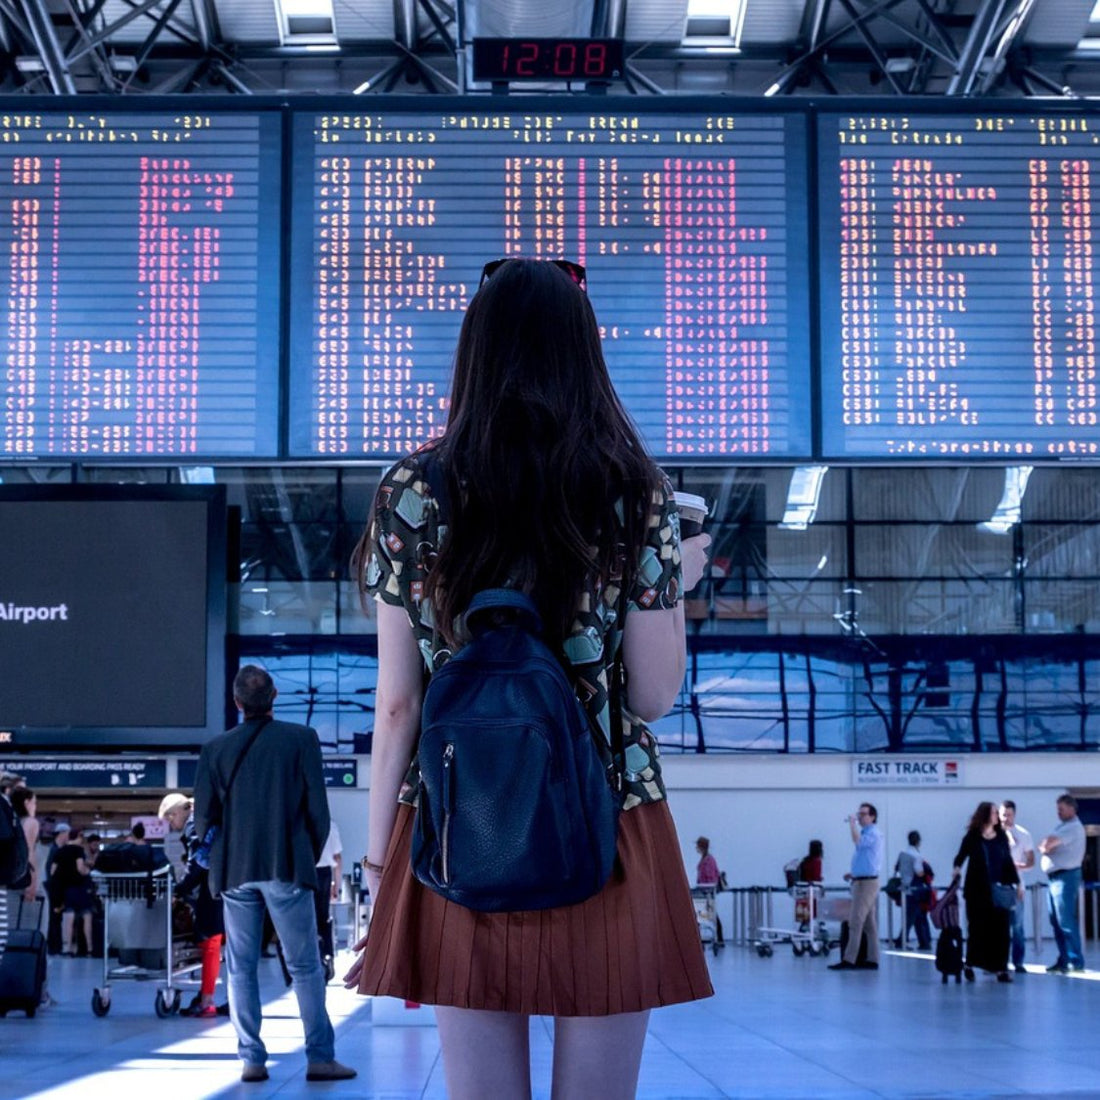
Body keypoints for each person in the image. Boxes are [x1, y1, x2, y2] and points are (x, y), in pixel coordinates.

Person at [345, 257, 713, 1099]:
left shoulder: (413, 490)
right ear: (584, 354)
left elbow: (399, 703)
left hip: (456, 820)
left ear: (474, 353)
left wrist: (377, 862)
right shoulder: (636, 494)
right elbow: (653, 697)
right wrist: (670, 586)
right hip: (609, 821)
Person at [194, 664, 355, 1084]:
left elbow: (202, 818)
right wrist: (306, 854)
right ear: (275, 696)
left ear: (236, 702)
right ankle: (320, 1057)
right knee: (304, 966)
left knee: (241, 967)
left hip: (234, 872)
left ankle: (251, 1060)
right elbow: (318, 811)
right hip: (286, 865)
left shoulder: (215, 749)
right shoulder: (301, 740)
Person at [158, 792, 226, 1018]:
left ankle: (207, 1000)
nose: (170, 824)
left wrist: (179, 889)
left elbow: (199, 862)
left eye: (169, 818)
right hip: (225, 885)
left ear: (177, 812)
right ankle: (210, 996)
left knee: (210, 943)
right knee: (217, 945)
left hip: (211, 890)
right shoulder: (208, 819)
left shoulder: (193, 825)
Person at [952, 801, 1018, 983]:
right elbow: (961, 855)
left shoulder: (1001, 837)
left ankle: (1001, 968)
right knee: (977, 929)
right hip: (976, 890)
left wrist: (1016, 884)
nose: (997, 816)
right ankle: (970, 964)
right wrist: (957, 868)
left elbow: (1008, 861)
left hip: (999, 889)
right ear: (986, 815)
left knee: (1002, 930)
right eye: (994, 813)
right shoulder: (973, 836)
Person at [829, 803, 883, 971]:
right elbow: (867, 860)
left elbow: (858, 842)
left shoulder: (873, 833)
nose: (860, 817)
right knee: (869, 924)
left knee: (855, 921)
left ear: (872, 816)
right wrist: (854, 874)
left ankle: (849, 959)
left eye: (863, 814)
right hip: (861, 881)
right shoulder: (868, 833)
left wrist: (852, 825)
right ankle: (873, 959)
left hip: (867, 884)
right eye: (859, 814)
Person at [1038, 793, 1086, 974]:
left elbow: (1047, 844)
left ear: (1072, 809)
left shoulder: (1072, 828)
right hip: (1055, 879)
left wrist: (1046, 846)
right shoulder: (1062, 826)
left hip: (1065, 878)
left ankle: (1075, 961)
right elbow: (1044, 843)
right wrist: (1046, 845)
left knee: (1065, 920)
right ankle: (1064, 960)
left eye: (1061, 809)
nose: (1058, 812)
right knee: (1056, 922)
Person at [999, 800, 1035, 973]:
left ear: (1015, 814)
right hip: (998, 887)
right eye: (1003, 814)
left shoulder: (1023, 834)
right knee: (998, 926)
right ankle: (997, 962)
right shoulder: (993, 834)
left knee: (1017, 926)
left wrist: (1019, 867)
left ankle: (1018, 961)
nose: (1006, 818)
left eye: (1009, 814)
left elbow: (1031, 861)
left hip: (1016, 886)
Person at [52, 828, 94, 956]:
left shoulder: (60, 851)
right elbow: (80, 868)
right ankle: (89, 948)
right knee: (87, 916)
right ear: (79, 837)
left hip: (66, 888)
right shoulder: (78, 850)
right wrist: (88, 872)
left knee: (68, 917)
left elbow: (53, 871)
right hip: (80, 887)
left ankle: (67, 947)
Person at [314, 822, 343, 981]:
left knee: (306, 920)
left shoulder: (299, 820)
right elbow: (337, 857)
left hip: (304, 873)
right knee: (323, 919)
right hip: (324, 875)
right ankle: (327, 955)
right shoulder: (330, 825)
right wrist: (336, 885)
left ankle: (314, 960)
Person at [895, 831, 932, 951]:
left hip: (904, 887)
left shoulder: (903, 854)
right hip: (915, 889)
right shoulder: (917, 856)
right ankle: (903, 940)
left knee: (914, 916)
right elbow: (919, 872)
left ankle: (922, 941)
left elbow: (897, 868)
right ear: (918, 842)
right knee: (913, 917)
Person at [695, 837, 724, 945]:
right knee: (706, 913)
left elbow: (711, 877)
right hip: (703, 891)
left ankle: (719, 937)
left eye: (697, 846)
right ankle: (716, 936)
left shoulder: (709, 860)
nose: (696, 848)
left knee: (710, 913)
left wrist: (705, 887)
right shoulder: (704, 859)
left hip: (707, 892)